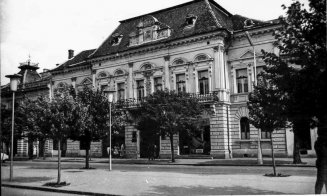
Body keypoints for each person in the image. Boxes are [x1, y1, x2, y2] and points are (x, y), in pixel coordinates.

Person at [315, 129, 327, 194]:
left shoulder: (318, 142)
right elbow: (324, 153)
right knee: (320, 183)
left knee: (320, 183)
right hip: (323, 165)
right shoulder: (321, 142)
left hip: (321, 164)